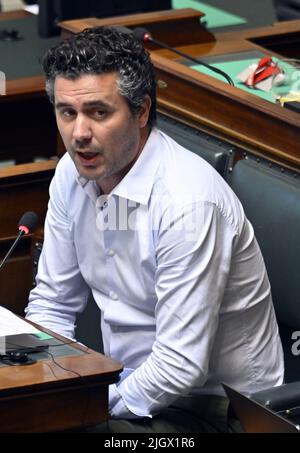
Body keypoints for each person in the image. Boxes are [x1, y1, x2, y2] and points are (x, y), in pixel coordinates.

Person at [25, 26, 284, 433]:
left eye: (98, 112)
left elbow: (180, 366)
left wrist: (82, 405)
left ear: (142, 111)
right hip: (127, 383)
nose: (79, 135)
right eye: (66, 112)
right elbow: (53, 304)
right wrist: (34, 385)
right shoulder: (71, 177)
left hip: (216, 409)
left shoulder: (188, 205)